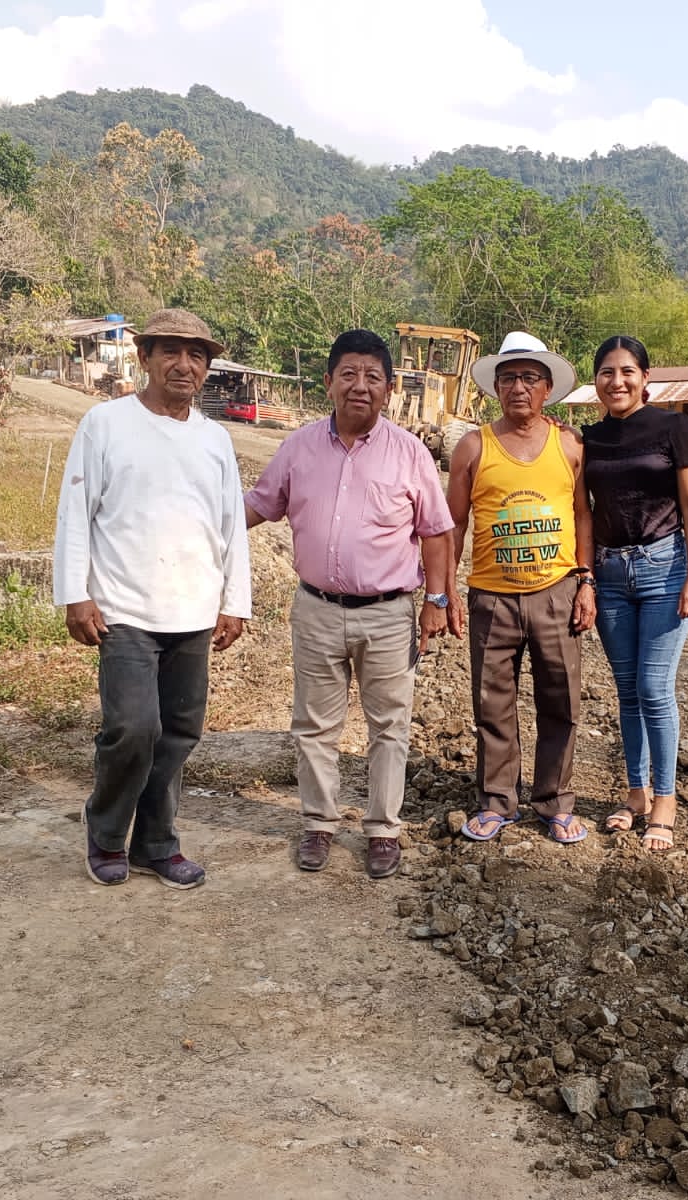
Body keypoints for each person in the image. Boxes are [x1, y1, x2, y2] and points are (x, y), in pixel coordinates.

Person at [244, 329, 457, 880]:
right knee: (314, 725)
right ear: (329, 382)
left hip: (388, 614)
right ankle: (319, 822)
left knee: (389, 726)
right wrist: (192, 518)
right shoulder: (299, 447)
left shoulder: (409, 453)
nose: (360, 386)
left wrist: (437, 599)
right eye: (349, 374)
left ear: (389, 388)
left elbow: (436, 532)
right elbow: (259, 505)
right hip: (316, 609)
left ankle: (383, 830)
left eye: (372, 377)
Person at [52, 308, 252, 889]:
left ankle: (155, 844)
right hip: (124, 610)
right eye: (170, 351)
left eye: (197, 355)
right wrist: (75, 594)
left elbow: (231, 526)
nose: (184, 365)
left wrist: (234, 601)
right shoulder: (106, 424)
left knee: (178, 734)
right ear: (144, 357)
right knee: (134, 727)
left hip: (193, 612)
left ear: (207, 367)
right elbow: (75, 513)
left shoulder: (215, 439)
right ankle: (106, 832)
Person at [449, 332, 595, 844]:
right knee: (492, 703)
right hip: (491, 595)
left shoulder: (570, 445)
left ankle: (555, 801)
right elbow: (454, 524)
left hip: (557, 591)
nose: (518, 387)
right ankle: (497, 801)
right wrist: (445, 589)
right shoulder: (473, 446)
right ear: (495, 387)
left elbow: (582, 515)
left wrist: (586, 581)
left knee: (562, 701)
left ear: (547, 388)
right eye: (508, 378)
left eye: (530, 378)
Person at [583, 335, 688, 852]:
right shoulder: (590, 439)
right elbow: (585, 512)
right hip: (610, 573)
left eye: (627, 371)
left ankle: (665, 800)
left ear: (645, 378)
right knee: (628, 690)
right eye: (607, 372)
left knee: (655, 689)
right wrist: (587, 578)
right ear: (596, 381)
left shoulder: (674, 428)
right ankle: (635, 794)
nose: (617, 381)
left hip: (664, 570)